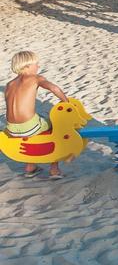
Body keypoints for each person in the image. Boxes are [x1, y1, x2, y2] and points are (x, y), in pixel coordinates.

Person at [3, 51, 70, 179]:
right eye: (36, 64)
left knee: (35, 124)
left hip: (11, 129)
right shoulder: (35, 78)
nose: (38, 66)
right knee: (55, 126)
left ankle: (30, 167)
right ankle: (54, 169)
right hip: (29, 126)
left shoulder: (9, 84)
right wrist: (66, 102)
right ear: (27, 66)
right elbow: (54, 89)